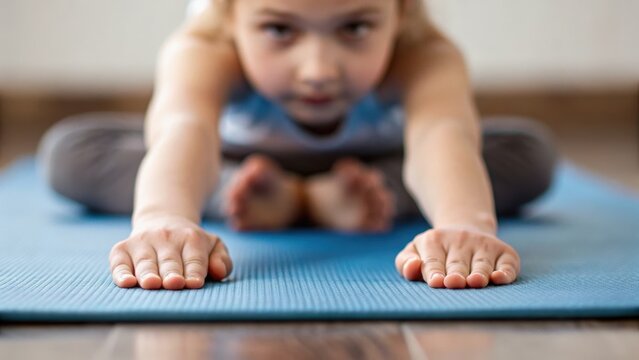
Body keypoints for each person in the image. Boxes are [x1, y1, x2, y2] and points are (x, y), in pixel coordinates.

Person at [38, 0, 557, 291]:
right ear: (231, 16)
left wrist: (465, 226)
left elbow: (438, 134)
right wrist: (162, 220)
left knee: (527, 154)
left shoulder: (423, 54)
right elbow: (185, 131)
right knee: (70, 152)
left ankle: (337, 199)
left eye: (355, 27)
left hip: (376, 167)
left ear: (400, 13)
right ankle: (244, 197)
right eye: (279, 30)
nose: (318, 71)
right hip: (237, 166)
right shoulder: (205, 49)